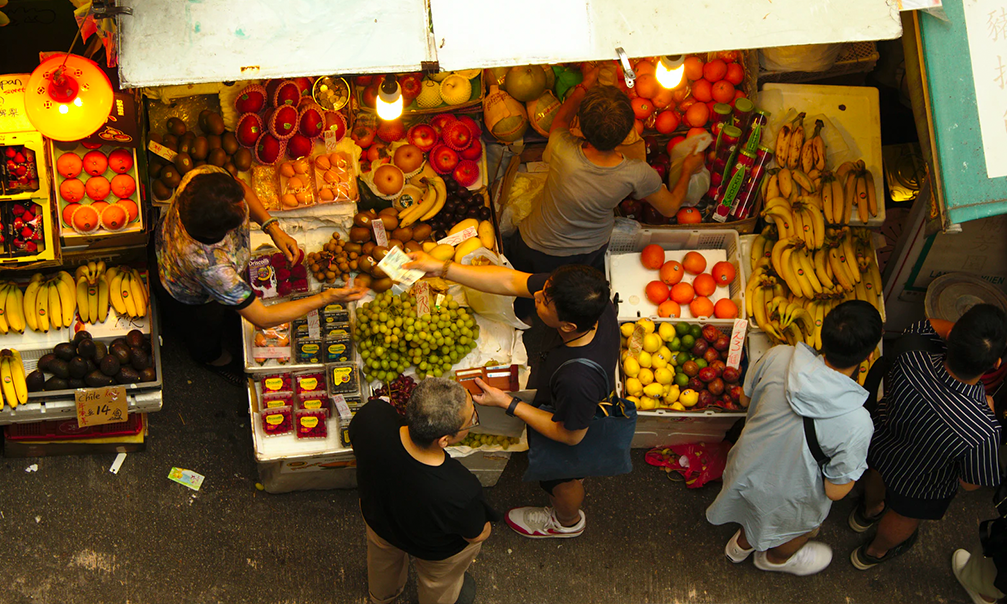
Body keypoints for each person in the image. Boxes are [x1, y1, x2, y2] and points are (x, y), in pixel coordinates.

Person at [405, 251, 619, 539]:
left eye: (543, 302)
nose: (537, 297)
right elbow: (511, 281)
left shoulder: (577, 380)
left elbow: (571, 436)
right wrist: (443, 268)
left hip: (571, 420)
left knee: (560, 477)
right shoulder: (586, 300)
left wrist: (508, 403)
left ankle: (566, 521)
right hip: (561, 391)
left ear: (567, 326)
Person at [706, 300, 883, 576]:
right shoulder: (857, 423)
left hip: (746, 466)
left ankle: (738, 549)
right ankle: (774, 560)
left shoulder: (779, 356)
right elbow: (835, 491)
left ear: (822, 330)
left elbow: (743, 398)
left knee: (750, 510)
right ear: (869, 355)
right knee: (797, 529)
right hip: (788, 499)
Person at [154, 167, 367, 378]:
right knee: (205, 329)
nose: (244, 204)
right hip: (191, 290)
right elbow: (263, 318)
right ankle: (211, 359)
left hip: (166, 242)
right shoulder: (212, 267)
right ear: (226, 232)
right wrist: (325, 297)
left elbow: (241, 188)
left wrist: (271, 227)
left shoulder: (199, 179)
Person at [849, 304, 1006, 570]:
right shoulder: (983, 429)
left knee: (876, 473)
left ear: (952, 334)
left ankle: (867, 511)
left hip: (883, 444)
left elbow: (931, 324)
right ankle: (873, 553)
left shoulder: (912, 351)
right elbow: (969, 484)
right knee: (904, 514)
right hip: (922, 483)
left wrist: (959, 333)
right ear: (995, 365)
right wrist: (987, 410)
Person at [509, 66, 705, 276]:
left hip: (535, 243)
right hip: (587, 251)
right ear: (627, 133)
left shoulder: (562, 147)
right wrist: (686, 169)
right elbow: (670, 208)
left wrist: (584, 85)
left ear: (581, 127)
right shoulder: (636, 173)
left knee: (524, 286)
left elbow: (561, 120)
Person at [350, 378, 495, 604]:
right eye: (471, 419)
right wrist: (486, 529)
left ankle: (382, 596)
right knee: (438, 584)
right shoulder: (460, 489)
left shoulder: (372, 416)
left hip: (380, 521)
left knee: (383, 563)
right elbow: (476, 534)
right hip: (431, 548)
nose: (473, 417)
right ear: (444, 440)